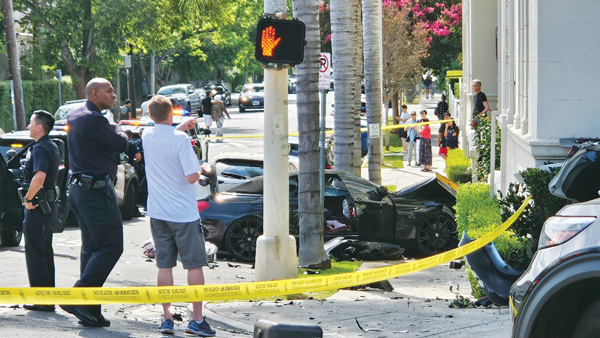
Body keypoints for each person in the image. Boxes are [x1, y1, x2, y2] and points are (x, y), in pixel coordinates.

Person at [143, 95, 216, 337]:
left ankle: (166, 318)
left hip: (157, 211)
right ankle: (196, 319)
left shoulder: (147, 136)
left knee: (164, 265)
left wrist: (179, 127)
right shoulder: (181, 141)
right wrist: (203, 167)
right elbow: (192, 177)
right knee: (194, 265)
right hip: (183, 214)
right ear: (171, 113)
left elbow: (164, 133)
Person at [63, 78, 129, 327]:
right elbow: (120, 143)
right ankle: (78, 297)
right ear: (94, 93)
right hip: (95, 191)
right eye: (109, 90)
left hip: (81, 190)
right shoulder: (93, 118)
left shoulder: (76, 114)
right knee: (111, 246)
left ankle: (89, 310)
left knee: (92, 249)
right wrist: (118, 128)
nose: (114, 94)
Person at [21, 110, 60, 312]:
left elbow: (39, 176)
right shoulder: (50, 145)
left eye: (30, 122)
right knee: (45, 252)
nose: (28, 126)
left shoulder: (40, 149)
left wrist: (27, 198)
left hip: (37, 206)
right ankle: (47, 298)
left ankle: (41, 299)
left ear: (39, 127)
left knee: (35, 253)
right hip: (47, 206)